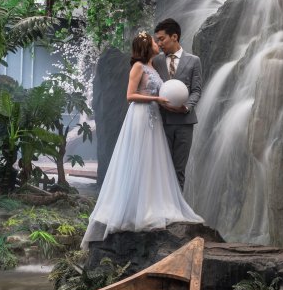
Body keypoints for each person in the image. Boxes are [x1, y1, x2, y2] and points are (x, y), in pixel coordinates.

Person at [81, 32, 203, 248]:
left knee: (153, 162)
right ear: (146, 46)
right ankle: (133, 210)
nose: (158, 44)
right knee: (139, 159)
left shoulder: (153, 67)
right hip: (139, 116)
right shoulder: (138, 66)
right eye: (155, 42)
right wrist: (156, 98)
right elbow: (130, 96)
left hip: (154, 116)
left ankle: (151, 205)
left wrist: (167, 104)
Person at [152, 18, 202, 190]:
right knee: (160, 168)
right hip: (161, 121)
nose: (159, 43)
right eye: (157, 39)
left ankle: (177, 212)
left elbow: (196, 90)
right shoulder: (156, 61)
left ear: (174, 37)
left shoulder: (194, 61)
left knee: (179, 169)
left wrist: (186, 107)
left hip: (184, 122)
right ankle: (160, 209)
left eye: (162, 39)